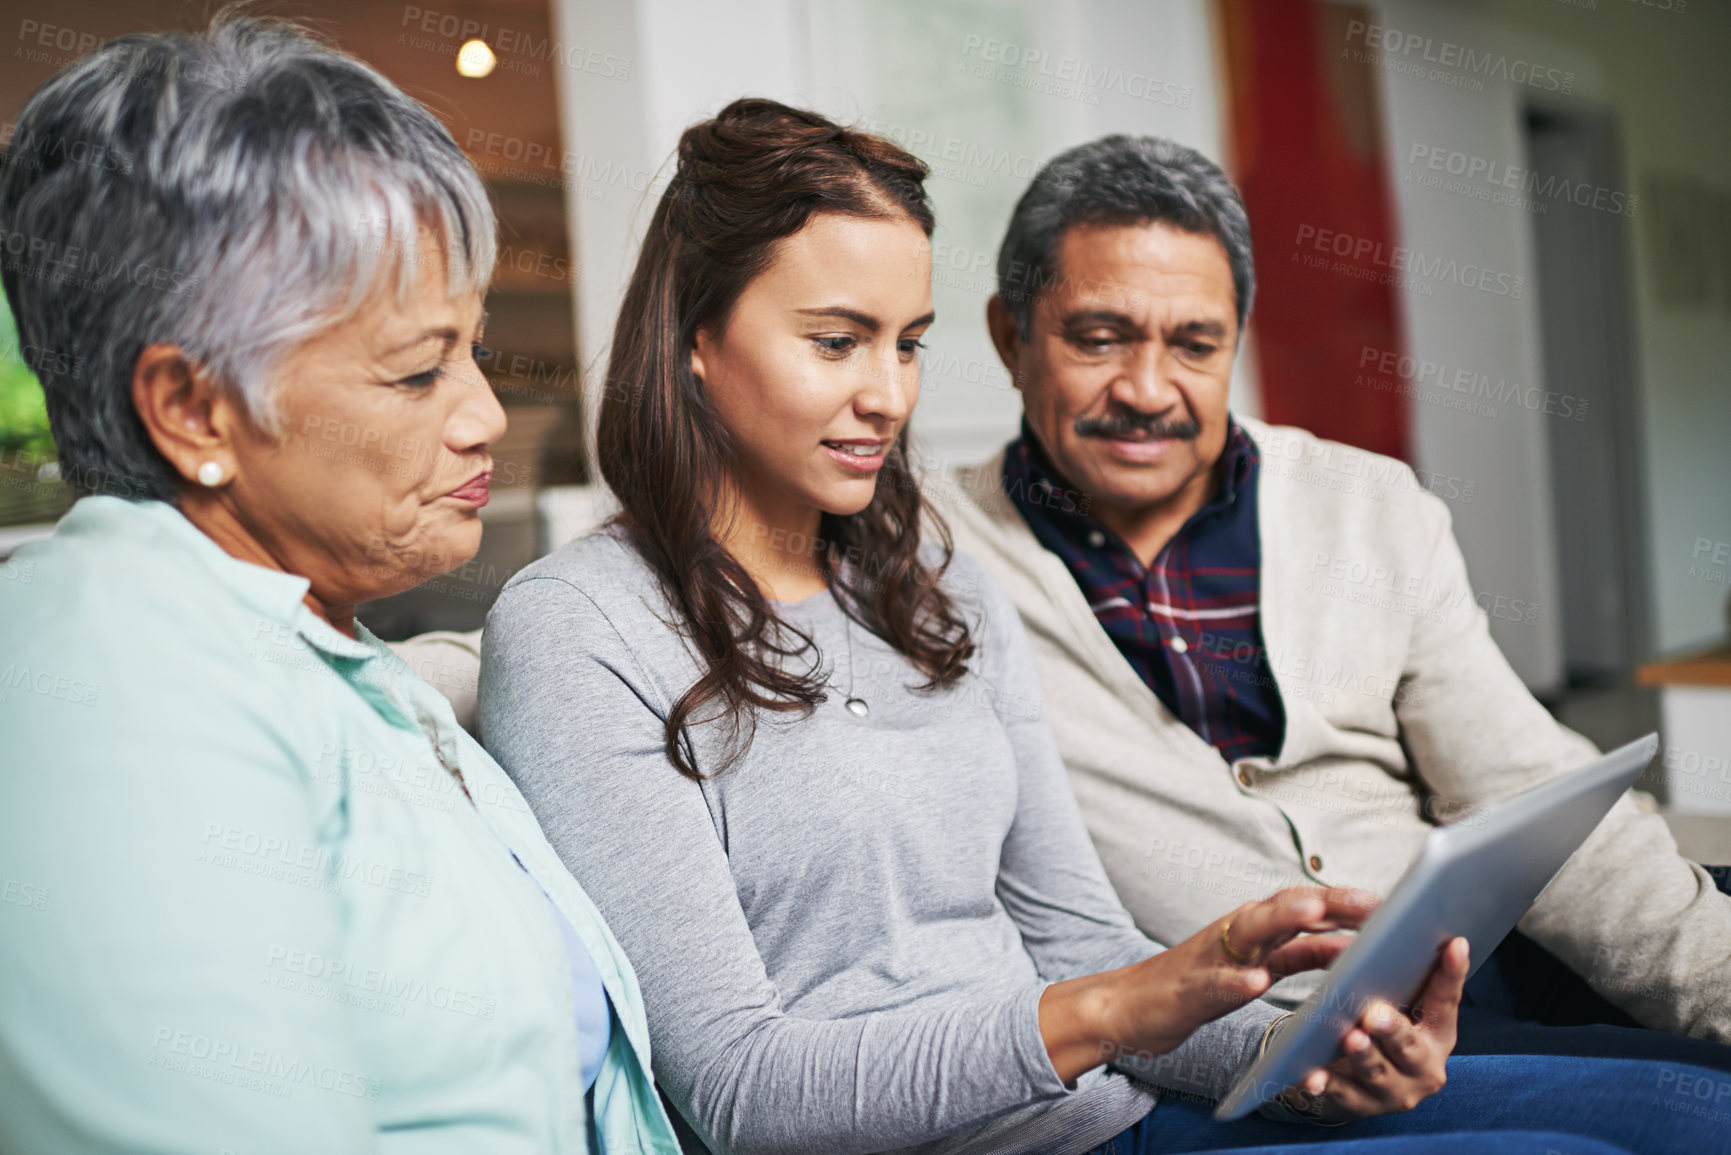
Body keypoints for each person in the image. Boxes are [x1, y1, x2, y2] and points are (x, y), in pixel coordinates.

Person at [478, 98, 1723, 1155]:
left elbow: (1078, 936)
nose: (887, 397)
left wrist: (1312, 1053)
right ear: (694, 338)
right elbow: (744, 1092)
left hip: (1123, 1105)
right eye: (836, 342)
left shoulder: (934, 588)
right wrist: (1119, 1011)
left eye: (905, 345)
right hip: (1040, 1122)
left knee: (1684, 1108)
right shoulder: (580, 629)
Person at [0, 15, 678, 1152]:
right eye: (418, 371)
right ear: (194, 409)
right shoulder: (110, 672)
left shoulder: (307, 641)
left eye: (471, 351)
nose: (488, 417)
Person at [923, 135, 1731, 1062]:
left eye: (1194, 344)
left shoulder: (1367, 505)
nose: (1146, 391)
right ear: (1007, 335)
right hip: (1247, 1048)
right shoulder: (924, 556)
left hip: (1475, 974)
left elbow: (1526, 794)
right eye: (1097, 337)